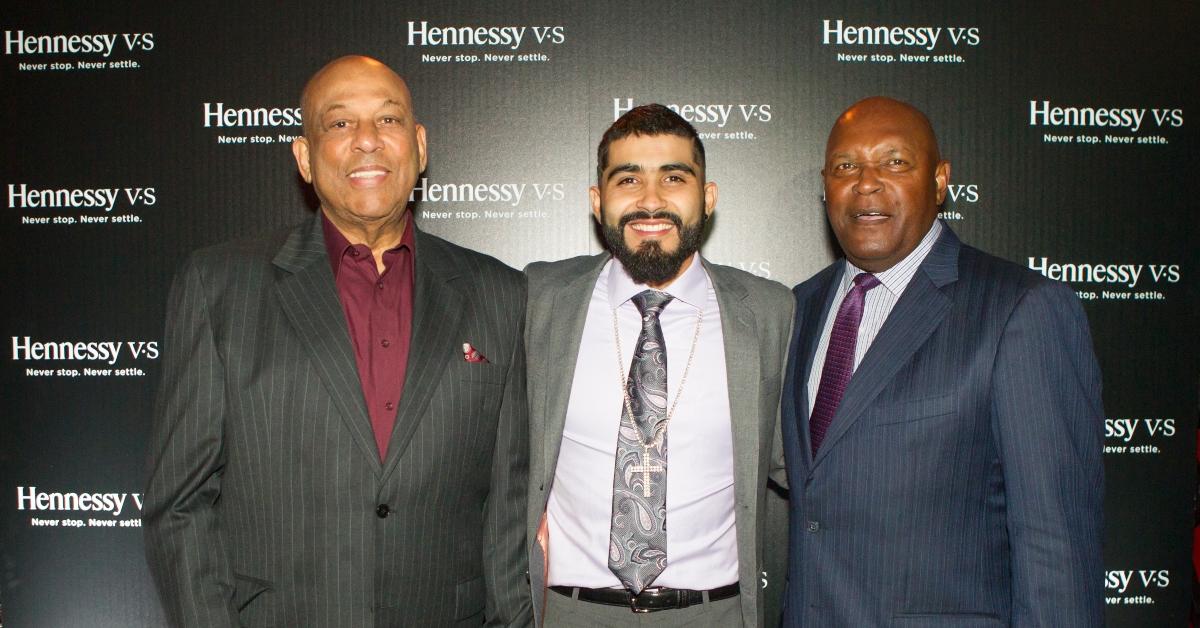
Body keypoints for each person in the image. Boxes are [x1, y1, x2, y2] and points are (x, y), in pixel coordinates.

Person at [144, 55, 530, 627]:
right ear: (304, 157)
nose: (368, 141)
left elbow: (509, 511)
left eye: (389, 121)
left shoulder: (500, 292)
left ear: (420, 147)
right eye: (340, 123)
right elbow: (179, 504)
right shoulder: (220, 285)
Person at [780, 96, 1104, 625]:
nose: (865, 181)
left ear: (939, 180)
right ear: (825, 185)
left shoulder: (1019, 309)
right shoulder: (798, 308)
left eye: (894, 162)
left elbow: (1057, 545)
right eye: (846, 166)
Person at [524, 104, 793, 626]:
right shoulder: (539, 299)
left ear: (707, 198)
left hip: (715, 612)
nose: (651, 200)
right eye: (628, 179)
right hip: (567, 612)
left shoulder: (768, 311)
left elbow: (801, 466)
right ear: (597, 201)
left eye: (674, 177)